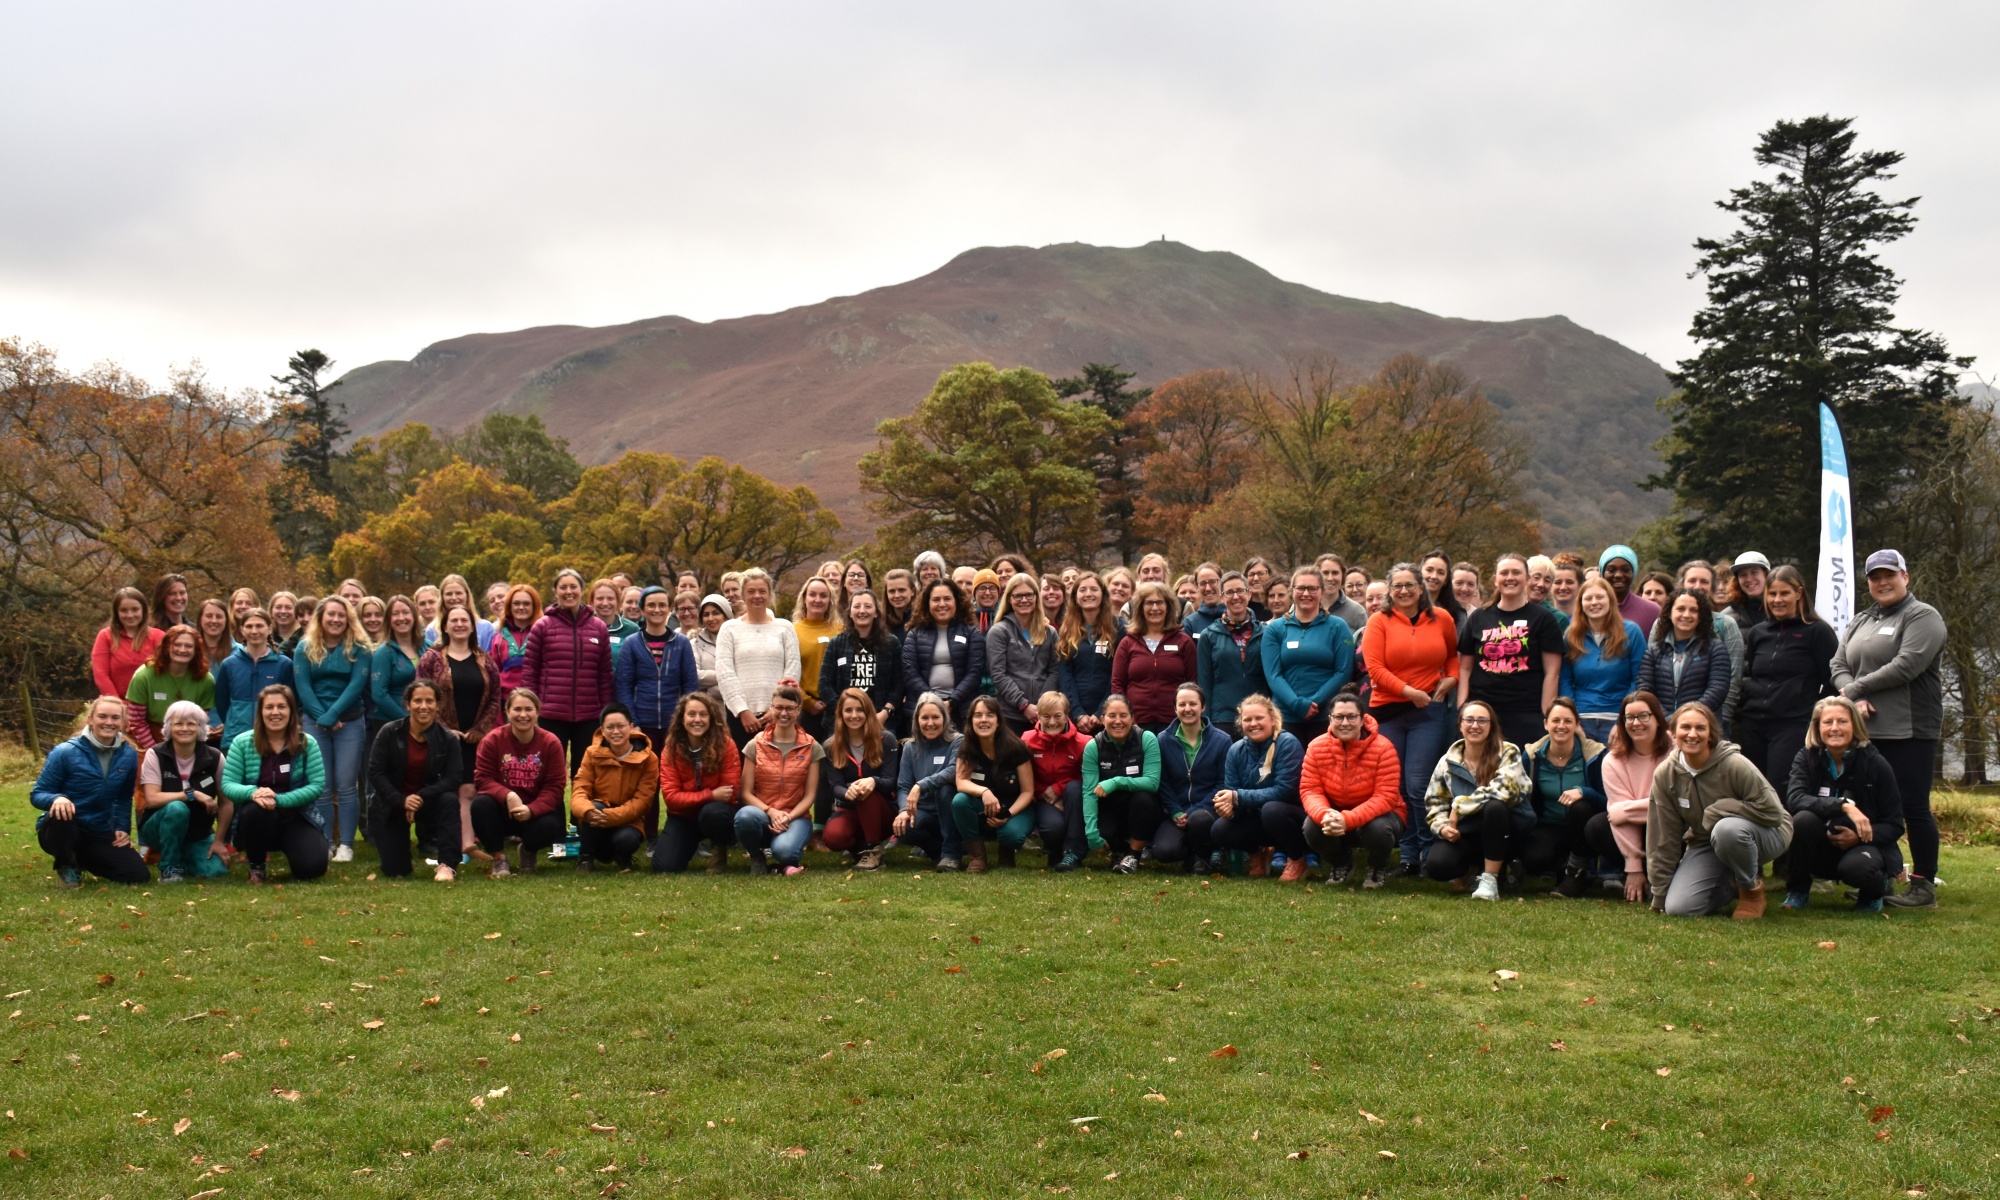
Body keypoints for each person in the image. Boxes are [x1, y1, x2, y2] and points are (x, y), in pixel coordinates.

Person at [1830, 549, 1947, 908]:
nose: (1882, 582)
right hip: (1868, 731)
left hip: (1911, 729)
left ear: (1905, 576)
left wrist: (1856, 688)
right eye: (1875, 577)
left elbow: (1907, 664)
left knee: (1913, 807)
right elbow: (1837, 663)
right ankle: (1881, 878)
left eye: (1889, 575)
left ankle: (1923, 885)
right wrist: (1853, 698)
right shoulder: (1861, 619)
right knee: (1873, 808)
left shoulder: (1923, 616)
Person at [1648, 701, 1791, 918]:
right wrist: (1660, 894)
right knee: (1679, 909)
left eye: (1700, 728)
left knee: (1727, 830)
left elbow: (1773, 812)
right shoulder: (1665, 774)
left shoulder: (1735, 764)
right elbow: (1663, 837)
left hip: (1767, 833)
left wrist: (1722, 809)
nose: (1692, 734)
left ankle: (1750, 891)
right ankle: (1728, 887)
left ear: (1711, 733)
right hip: (1706, 841)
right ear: (1673, 733)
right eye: (1685, 727)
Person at [1362, 563, 1459, 875]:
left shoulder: (1441, 618)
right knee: (1396, 786)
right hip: (1389, 711)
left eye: (1410, 585)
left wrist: (1452, 679)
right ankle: (1407, 856)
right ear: (1390, 591)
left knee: (1419, 784)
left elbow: (1453, 657)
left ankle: (1429, 851)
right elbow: (1375, 668)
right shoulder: (1379, 622)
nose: (1404, 591)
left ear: (1421, 588)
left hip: (1428, 711)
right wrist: (1409, 692)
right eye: (1397, 586)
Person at [1783, 696, 1904, 913]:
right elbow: (1795, 798)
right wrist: (1844, 806)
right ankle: (1798, 891)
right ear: (1817, 727)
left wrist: (1859, 836)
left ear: (1855, 726)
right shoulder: (1806, 758)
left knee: (1858, 868)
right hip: (1820, 846)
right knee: (1801, 820)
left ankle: (1874, 892)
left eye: (1842, 721)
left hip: (1864, 847)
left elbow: (1895, 825)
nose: (1835, 728)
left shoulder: (1876, 764)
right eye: (1828, 722)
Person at [1736, 565, 1836, 787]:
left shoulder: (1818, 631)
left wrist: (1813, 714)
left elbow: (1832, 680)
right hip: (1753, 724)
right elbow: (1753, 673)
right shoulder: (1758, 633)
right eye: (1772, 594)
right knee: (1753, 788)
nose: (1777, 600)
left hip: (1792, 724)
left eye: (1784, 593)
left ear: (1799, 594)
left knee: (1779, 787)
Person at [1422, 700, 1532, 900]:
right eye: (1469, 720)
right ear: (1460, 724)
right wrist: (1443, 826)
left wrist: (1460, 805)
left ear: (1491, 726)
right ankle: (1473, 870)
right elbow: (1434, 802)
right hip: (1469, 833)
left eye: (1482, 720)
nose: (1475, 725)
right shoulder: (1448, 760)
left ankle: (1490, 878)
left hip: (1508, 832)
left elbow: (1504, 790)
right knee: (1437, 866)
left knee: (1495, 807)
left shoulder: (1508, 752)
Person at [419, 603, 504, 865]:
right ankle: (440, 841)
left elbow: (495, 697)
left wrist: (480, 730)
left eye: (464, 620)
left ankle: (467, 844)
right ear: (444, 626)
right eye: (453, 620)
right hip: (440, 736)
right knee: (444, 791)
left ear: (472, 626)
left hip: (473, 736)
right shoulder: (431, 658)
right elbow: (421, 695)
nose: (458, 624)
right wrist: (444, 729)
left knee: (468, 789)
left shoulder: (484, 658)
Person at [33, 696, 149, 886]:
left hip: (98, 828)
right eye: (102, 716)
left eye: (115, 718)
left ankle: (80, 858)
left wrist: (121, 828)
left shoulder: (128, 754)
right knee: (63, 814)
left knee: (138, 875)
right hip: (60, 827)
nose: (108, 722)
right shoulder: (65, 752)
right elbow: (38, 793)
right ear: (90, 719)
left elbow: (123, 797)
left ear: (122, 722)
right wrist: (56, 799)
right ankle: (66, 866)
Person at [221, 684, 330, 884]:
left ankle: (303, 851)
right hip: (257, 817)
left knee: (311, 869)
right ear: (260, 712)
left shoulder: (307, 743)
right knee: (254, 811)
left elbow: (316, 786)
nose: (275, 712)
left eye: (282, 706)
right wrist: (254, 793)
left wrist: (277, 799)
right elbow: (228, 784)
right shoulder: (242, 743)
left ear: (292, 711)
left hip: (296, 816)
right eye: (269, 707)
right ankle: (256, 867)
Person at [1458, 554, 1563, 749]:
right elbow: (1464, 668)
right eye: (1504, 573)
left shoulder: (1543, 618)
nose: (1510, 577)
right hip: (1483, 713)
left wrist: (1546, 713)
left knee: (1521, 775)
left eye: (1516, 572)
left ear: (1527, 579)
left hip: (1526, 711)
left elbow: (1553, 672)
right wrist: (1463, 707)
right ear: (1495, 579)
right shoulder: (1478, 617)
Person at [292, 596, 369, 863]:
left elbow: (356, 686)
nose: (336, 620)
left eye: (341, 615)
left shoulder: (359, 648)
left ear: (348, 619)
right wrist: (322, 717)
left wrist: (333, 714)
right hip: (315, 722)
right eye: (330, 615)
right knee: (321, 785)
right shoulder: (304, 647)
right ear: (320, 618)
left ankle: (346, 844)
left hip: (350, 721)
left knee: (347, 784)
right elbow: (303, 687)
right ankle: (325, 841)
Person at [364, 678, 464, 882]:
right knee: (396, 870)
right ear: (408, 704)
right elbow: (375, 772)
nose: (423, 706)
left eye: (429, 701)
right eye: (417, 701)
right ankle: (400, 852)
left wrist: (419, 797)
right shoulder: (389, 732)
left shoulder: (448, 739)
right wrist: (402, 800)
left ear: (438, 705)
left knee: (449, 800)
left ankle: (447, 865)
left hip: (430, 802)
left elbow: (454, 778)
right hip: (392, 803)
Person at [1297, 692, 1401, 886]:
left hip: (1381, 815)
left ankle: (1377, 867)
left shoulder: (1384, 748)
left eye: (1351, 717)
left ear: (1362, 720)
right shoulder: (1315, 747)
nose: (1345, 723)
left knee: (1378, 829)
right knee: (1311, 826)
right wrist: (1324, 814)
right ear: (1330, 719)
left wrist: (1348, 819)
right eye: (1339, 717)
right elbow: (1310, 790)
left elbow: (1386, 797)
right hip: (1335, 813)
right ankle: (1341, 863)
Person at [523, 568, 616, 776]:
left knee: (585, 774)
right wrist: (533, 708)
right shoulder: (542, 627)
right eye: (563, 587)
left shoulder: (598, 627)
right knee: (550, 773)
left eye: (573, 586)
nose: (568, 591)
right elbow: (530, 671)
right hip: (551, 714)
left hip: (589, 715)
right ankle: (551, 810)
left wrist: (606, 711)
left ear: (582, 589)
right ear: (555, 591)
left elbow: (604, 675)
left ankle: (580, 810)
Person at [469, 688, 568, 875]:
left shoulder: (550, 742)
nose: (523, 715)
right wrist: (508, 795)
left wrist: (532, 810)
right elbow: (483, 779)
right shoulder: (492, 740)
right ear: (507, 712)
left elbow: (555, 787)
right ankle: (498, 858)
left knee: (551, 823)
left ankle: (528, 850)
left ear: (538, 712)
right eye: (517, 709)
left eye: (529, 709)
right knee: (480, 805)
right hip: (501, 809)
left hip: (534, 811)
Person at [1584, 691, 1670, 904]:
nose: (1636, 723)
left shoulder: (1675, 751)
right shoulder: (1612, 760)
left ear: (1657, 719)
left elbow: (1672, 807)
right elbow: (1619, 818)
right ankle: (1642, 874)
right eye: (1629, 717)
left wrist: (1626, 810)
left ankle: (1665, 876)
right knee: (1597, 825)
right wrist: (1634, 868)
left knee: (1644, 819)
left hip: (1671, 828)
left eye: (1643, 716)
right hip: (1633, 831)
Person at [1207, 693, 1304, 878]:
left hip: (1290, 817)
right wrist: (1228, 807)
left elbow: (1286, 790)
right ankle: (1256, 853)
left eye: (1259, 718)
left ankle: (1297, 858)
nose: (1253, 724)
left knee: (1271, 810)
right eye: (1247, 719)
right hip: (1256, 819)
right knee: (1219, 829)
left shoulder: (1287, 743)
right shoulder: (1235, 750)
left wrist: (1238, 797)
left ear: (1273, 720)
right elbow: (1232, 790)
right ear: (1240, 723)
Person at [733, 682, 822, 876]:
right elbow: (746, 793)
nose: (784, 713)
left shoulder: (811, 746)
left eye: (790, 708)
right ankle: (757, 856)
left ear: (798, 710)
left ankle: (782, 860)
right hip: (763, 815)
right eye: (779, 707)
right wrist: (771, 812)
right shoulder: (755, 744)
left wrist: (788, 816)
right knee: (744, 816)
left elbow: (810, 796)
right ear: (771, 708)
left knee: (785, 851)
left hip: (796, 817)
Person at [1260, 567, 1355, 744]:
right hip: (1285, 716)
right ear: (1292, 591)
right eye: (1300, 588)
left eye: (1312, 588)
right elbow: (1273, 675)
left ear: (1322, 592)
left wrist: (1314, 702)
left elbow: (1343, 672)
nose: (1306, 594)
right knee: (1288, 770)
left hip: (1326, 715)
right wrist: (1297, 704)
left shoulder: (1338, 627)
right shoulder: (1275, 629)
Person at [653, 691, 744, 874]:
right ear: (682, 718)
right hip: (683, 817)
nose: (697, 720)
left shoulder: (726, 745)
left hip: (715, 814)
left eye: (703, 714)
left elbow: (729, 793)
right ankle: (690, 843)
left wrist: (709, 799)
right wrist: (710, 795)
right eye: (691, 714)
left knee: (713, 812)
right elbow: (671, 798)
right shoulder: (671, 749)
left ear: (711, 718)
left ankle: (720, 848)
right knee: (664, 867)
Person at [1520, 697, 1605, 892]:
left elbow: (1608, 801)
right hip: (1549, 825)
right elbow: (1524, 798)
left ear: (1577, 725)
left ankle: (1579, 871)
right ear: (1545, 724)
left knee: (1581, 806)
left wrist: (1585, 792)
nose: (1561, 726)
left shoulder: (1594, 756)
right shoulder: (1532, 757)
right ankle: (1560, 868)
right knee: (1534, 859)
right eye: (1555, 720)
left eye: (1568, 721)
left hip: (1585, 828)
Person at [137, 700, 228, 882]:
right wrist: (191, 794)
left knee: (215, 870)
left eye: (191, 723)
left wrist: (218, 841)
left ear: (201, 727)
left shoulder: (215, 757)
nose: (184, 728)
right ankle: (169, 869)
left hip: (198, 832)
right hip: (158, 825)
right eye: (178, 723)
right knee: (177, 808)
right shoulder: (155, 754)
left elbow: (226, 803)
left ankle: (182, 859)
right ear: (169, 727)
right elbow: (152, 799)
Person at [716, 568, 804, 749]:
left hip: (780, 716)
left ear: (770, 594)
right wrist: (742, 711)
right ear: (742, 594)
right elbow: (725, 673)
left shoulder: (785, 628)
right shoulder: (729, 629)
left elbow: (792, 669)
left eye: (762, 591)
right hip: (741, 719)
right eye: (751, 591)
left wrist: (778, 708)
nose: (757, 596)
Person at [949, 694, 1037, 872]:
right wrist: (984, 792)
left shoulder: (1016, 747)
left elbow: (1028, 792)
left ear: (998, 720)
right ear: (971, 720)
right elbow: (961, 782)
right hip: (984, 806)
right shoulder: (966, 746)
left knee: (1011, 835)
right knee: (959, 801)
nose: (983, 720)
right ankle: (978, 857)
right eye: (978, 715)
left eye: (989, 715)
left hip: (1016, 808)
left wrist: (1008, 814)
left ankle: (1006, 850)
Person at [569, 703, 659, 873]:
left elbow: (643, 802)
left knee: (627, 840)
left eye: (621, 726)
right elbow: (580, 789)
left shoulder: (649, 758)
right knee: (594, 806)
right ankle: (585, 857)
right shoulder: (591, 753)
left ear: (631, 727)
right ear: (602, 730)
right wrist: (587, 811)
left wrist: (608, 816)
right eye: (610, 727)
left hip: (629, 821)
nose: (615, 732)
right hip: (596, 817)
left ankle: (623, 857)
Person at [1152, 683, 1232, 872]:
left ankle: (1203, 856)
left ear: (1203, 707)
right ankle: (1191, 852)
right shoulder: (1163, 740)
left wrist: (1196, 809)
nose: (1187, 709)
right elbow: (1162, 782)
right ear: (1175, 709)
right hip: (1177, 812)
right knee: (1163, 852)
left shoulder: (1222, 740)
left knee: (1199, 820)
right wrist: (1175, 812)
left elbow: (1223, 783)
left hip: (1208, 810)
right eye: (1182, 705)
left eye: (1193, 704)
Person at [1081, 694, 1163, 874]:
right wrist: (1091, 831)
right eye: (1111, 716)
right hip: (1110, 807)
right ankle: (1118, 852)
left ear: (1132, 718)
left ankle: (1133, 855)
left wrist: (1116, 781)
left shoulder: (1147, 739)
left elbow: (1152, 782)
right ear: (1102, 720)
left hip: (1142, 809)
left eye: (1123, 715)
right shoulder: (1093, 746)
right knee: (1103, 830)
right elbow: (1089, 792)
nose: (1118, 721)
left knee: (1144, 798)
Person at [820, 689, 901, 869]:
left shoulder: (886, 739)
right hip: (850, 807)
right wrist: (848, 791)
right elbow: (835, 786)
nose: (854, 715)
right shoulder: (831, 746)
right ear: (840, 713)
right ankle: (860, 847)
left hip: (883, 811)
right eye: (848, 710)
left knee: (867, 790)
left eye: (860, 710)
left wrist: (873, 781)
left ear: (868, 712)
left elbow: (890, 781)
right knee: (833, 838)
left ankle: (873, 851)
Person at [1559, 578, 1646, 744]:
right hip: (1581, 718)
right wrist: (1572, 719)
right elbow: (1565, 679)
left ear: (1610, 600)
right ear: (1581, 603)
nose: (1594, 603)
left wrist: (1623, 720)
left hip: (1618, 717)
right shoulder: (1571, 636)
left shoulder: (1631, 632)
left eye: (1600, 597)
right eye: (1588, 598)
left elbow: (1639, 678)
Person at [616, 585, 700, 751]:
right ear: (642, 609)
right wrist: (633, 723)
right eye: (651, 605)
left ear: (670, 609)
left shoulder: (681, 643)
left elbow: (690, 687)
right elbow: (623, 687)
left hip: (674, 725)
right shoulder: (632, 644)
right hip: (642, 724)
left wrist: (683, 722)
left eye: (662, 605)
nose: (657, 610)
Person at [1112, 581, 1199, 732]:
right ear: (1140, 608)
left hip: (1175, 724)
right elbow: (1117, 684)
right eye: (1149, 603)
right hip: (1136, 725)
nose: (1155, 608)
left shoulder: (1183, 641)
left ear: (1168, 607)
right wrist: (1127, 717)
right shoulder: (1127, 643)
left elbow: (1193, 682)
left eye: (1160, 603)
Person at [1637, 588, 1732, 720]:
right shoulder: (1654, 650)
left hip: (1701, 725)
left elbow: (1717, 689)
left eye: (1694, 610)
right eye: (1681, 609)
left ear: (1701, 616)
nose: (1686, 615)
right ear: (1669, 613)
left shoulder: (1715, 648)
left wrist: (1687, 717)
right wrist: (1666, 719)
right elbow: (1645, 690)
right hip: (1662, 727)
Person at [899, 579, 984, 725]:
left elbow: (974, 672)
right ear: (928, 604)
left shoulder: (972, 633)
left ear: (957, 601)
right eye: (936, 600)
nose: (942, 604)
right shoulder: (915, 634)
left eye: (947, 599)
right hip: (923, 710)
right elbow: (910, 673)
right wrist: (934, 702)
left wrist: (952, 702)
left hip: (962, 710)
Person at [893, 692, 964, 869]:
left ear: (945, 718)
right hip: (925, 812)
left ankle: (951, 855)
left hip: (951, 810)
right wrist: (903, 810)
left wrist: (920, 785)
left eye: (935, 717)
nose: (930, 723)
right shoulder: (910, 747)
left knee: (945, 789)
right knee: (904, 828)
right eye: (925, 718)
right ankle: (942, 851)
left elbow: (953, 771)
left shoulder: (958, 741)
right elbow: (903, 786)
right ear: (917, 720)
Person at [1022, 691, 1091, 871]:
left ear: (1067, 715)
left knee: (1075, 788)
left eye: (1057, 716)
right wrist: (1045, 792)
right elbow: (1025, 775)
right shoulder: (1027, 740)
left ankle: (1074, 853)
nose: (1052, 722)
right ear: (1038, 716)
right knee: (1053, 828)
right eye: (1046, 716)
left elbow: (1088, 776)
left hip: (1074, 798)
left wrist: (1059, 789)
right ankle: (1054, 851)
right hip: (1043, 796)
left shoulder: (1084, 742)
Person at [820, 589, 904, 733]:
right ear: (850, 612)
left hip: (881, 721)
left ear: (876, 612)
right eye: (857, 606)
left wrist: (885, 713)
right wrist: (843, 711)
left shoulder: (891, 643)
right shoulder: (836, 644)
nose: (862, 611)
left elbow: (900, 683)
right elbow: (824, 683)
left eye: (868, 606)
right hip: (841, 723)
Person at [1673, 559, 1746, 723]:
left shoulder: (1726, 625)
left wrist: (1722, 720)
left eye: (1704, 581)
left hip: (1712, 720)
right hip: (1668, 719)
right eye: (1692, 580)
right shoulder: (1663, 624)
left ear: (1712, 588)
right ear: (1681, 585)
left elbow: (1732, 680)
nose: (1698, 586)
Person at [1196, 571, 1266, 737]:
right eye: (1229, 592)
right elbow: (1205, 682)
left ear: (1249, 594)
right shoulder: (1209, 635)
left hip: (1259, 715)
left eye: (1240, 591)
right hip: (1223, 717)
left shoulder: (1265, 633)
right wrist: (1206, 722)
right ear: (1222, 598)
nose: (1235, 597)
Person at [989, 573, 1061, 734]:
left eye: (1029, 595)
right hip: (1011, 715)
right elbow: (998, 674)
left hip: (1046, 716)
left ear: (1036, 597)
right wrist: (1023, 705)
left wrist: (1042, 705)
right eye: (1018, 596)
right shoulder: (999, 632)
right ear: (1009, 599)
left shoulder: (1049, 632)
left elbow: (1055, 670)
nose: (1024, 600)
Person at [123, 625, 214, 751]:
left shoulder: (205, 680)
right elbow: (136, 721)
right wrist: (156, 751)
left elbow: (200, 720)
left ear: (196, 650)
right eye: (177, 644)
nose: (182, 650)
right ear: (166, 647)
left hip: (187, 735)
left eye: (188, 646)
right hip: (147, 736)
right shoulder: (144, 675)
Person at [213, 608, 294, 747]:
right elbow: (222, 702)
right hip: (235, 739)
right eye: (249, 626)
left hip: (272, 740)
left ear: (269, 628)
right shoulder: (229, 664)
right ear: (242, 630)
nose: (254, 631)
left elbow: (292, 702)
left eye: (259, 626)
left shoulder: (284, 664)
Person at [1057, 571, 1122, 734]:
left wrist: (1102, 710)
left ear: (1103, 594)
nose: (1088, 594)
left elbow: (1118, 674)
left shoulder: (1119, 628)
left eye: (1094, 589)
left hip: (1109, 715)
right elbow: (1065, 675)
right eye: (1083, 590)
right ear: (1075, 597)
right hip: (1076, 716)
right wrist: (1077, 713)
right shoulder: (1066, 630)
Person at [368, 595, 425, 765]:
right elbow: (379, 694)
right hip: (392, 723)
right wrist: (409, 721)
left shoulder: (427, 646)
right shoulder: (383, 652)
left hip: (424, 719)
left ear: (414, 616)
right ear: (388, 620)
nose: (401, 618)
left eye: (406, 612)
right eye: (395, 614)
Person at [792, 576, 844, 740]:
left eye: (823, 595)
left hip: (838, 708)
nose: (817, 599)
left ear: (830, 600)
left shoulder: (841, 630)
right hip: (805, 710)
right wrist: (807, 702)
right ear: (804, 598)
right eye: (812, 594)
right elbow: (788, 672)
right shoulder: (792, 631)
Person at [93, 587, 164, 701]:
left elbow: (166, 673)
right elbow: (101, 675)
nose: (130, 615)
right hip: (116, 705)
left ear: (143, 610)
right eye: (124, 610)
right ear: (116, 612)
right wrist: (118, 705)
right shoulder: (105, 636)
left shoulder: (158, 637)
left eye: (135, 609)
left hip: (150, 704)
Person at [1597, 545, 1661, 636]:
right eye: (1611, 570)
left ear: (1633, 573)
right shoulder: (1590, 607)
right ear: (1602, 573)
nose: (1618, 575)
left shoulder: (1652, 611)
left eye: (1625, 570)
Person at [489, 584, 541, 692]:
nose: (521, 607)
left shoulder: (542, 635)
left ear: (534, 606)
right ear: (509, 607)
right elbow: (493, 674)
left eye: (526, 604)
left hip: (536, 700)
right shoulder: (498, 639)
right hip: (506, 702)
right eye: (516, 603)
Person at [426, 574, 495, 649]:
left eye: (458, 593)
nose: (454, 597)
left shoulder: (485, 627)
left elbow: (489, 659)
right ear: (442, 598)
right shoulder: (432, 630)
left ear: (467, 596)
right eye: (449, 594)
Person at [1315, 554, 1369, 633]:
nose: (1330, 578)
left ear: (1343, 576)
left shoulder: (1357, 612)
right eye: (1325, 573)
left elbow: (1364, 644)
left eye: (1335, 573)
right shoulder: (1302, 607)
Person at [1722, 551, 1771, 630]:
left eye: (1754, 572)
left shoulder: (1783, 610)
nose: (1749, 579)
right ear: (1737, 580)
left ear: (1766, 575)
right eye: (1743, 575)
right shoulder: (1726, 618)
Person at [690, 593, 729, 691]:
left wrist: (711, 686)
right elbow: (694, 675)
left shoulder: (739, 640)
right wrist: (728, 675)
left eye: (716, 613)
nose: (711, 618)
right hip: (707, 704)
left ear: (726, 615)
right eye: (706, 615)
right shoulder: (694, 644)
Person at [194, 598, 236, 689]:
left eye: (219, 617)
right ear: (200, 619)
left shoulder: (239, 653)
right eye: (209, 616)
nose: (214, 621)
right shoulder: (190, 650)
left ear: (226, 620)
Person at [1181, 562, 1227, 635]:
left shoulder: (1235, 617)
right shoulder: (1190, 623)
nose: (1208, 588)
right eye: (1202, 584)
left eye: (1212, 582)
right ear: (1196, 587)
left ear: (1222, 583)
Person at [1421, 550, 1463, 625]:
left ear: (1446, 580)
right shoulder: (1406, 608)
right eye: (1429, 570)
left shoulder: (1457, 614)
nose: (1434, 576)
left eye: (1441, 573)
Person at [882, 569, 917, 636]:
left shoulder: (921, 620)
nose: (897, 595)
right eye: (892, 591)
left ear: (912, 591)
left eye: (901, 590)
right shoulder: (880, 623)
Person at [269, 590, 303, 655]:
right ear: (271, 612)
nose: (283, 611)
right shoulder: (265, 637)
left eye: (288, 608)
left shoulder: (302, 637)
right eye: (278, 607)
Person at [968, 569, 1002, 635]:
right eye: (982, 588)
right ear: (974, 593)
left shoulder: (1005, 617)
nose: (987, 593)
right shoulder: (966, 618)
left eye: (992, 588)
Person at [1549, 559, 1581, 627]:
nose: (1563, 587)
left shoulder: (1588, 621)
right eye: (1558, 582)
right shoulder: (1542, 619)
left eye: (1569, 582)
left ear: (1580, 586)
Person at [1243, 557, 1275, 621]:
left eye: (1260, 573)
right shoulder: (1241, 607)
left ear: (1270, 576)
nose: (1256, 578)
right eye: (1251, 574)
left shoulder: (1277, 605)